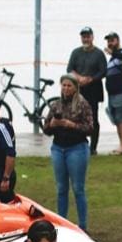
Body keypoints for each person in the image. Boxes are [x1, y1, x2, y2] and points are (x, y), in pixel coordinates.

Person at [44, 75, 94, 230]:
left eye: (69, 86)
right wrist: (52, 124)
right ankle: (62, 223)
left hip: (77, 148)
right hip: (58, 148)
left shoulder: (82, 104)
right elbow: (46, 129)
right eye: (63, 85)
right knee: (61, 188)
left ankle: (83, 225)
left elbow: (90, 128)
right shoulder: (56, 105)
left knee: (78, 188)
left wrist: (70, 124)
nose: (65, 88)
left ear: (75, 87)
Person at [67, 26, 108, 154]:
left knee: (93, 118)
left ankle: (93, 147)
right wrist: (79, 78)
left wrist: (90, 79)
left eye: (88, 36)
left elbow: (103, 71)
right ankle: (80, 144)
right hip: (78, 90)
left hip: (94, 90)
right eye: (83, 36)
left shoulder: (99, 53)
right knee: (77, 116)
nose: (85, 38)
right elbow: (70, 69)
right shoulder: (76, 52)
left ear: (92, 37)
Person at [101, 32, 122, 154]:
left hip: (121, 92)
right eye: (108, 41)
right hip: (112, 93)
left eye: (112, 40)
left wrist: (111, 52)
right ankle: (121, 145)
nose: (110, 43)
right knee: (117, 121)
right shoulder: (113, 58)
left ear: (117, 41)